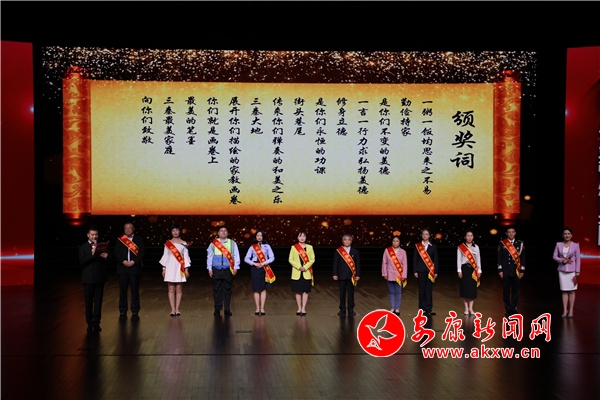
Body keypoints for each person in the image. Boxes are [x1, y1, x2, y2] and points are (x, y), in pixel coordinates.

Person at [79, 224, 109, 332]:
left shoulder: (102, 246)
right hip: (87, 279)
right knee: (88, 302)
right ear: (88, 235)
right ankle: (89, 323)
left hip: (99, 278)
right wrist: (93, 255)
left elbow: (108, 260)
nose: (94, 236)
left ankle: (97, 323)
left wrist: (106, 257)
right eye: (92, 235)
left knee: (98, 302)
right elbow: (81, 261)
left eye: (96, 234)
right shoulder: (83, 247)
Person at [114, 222, 145, 318]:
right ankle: (122, 310)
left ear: (133, 229)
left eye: (129, 228)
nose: (127, 230)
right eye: (125, 228)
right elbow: (116, 253)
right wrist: (122, 261)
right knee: (122, 290)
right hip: (122, 268)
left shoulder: (139, 239)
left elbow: (142, 253)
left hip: (134, 268)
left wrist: (134, 261)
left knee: (135, 290)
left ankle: (135, 310)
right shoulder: (120, 240)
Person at [207, 226, 240, 316]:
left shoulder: (232, 243)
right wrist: (209, 268)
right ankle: (217, 309)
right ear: (218, 233)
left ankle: (227, 309)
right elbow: (209, 256)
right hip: (216, 270)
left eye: (225, 231)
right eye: (221, 231)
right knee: (217, 290)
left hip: (228, 270)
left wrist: (236, 267)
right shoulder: (213, 243)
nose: (223, 232)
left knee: (227, 290)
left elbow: (236, 255)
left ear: (228, 233)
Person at [159, 224, 191, 317]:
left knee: (179, 288)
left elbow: (186, 257)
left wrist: (186, 269)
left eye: (177, 230)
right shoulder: (168, 243)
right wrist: (164, 268)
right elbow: (165, 256)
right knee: (171, 288)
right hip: (170, 267)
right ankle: (172, 309)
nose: (175, 232)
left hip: (179, 268)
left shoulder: (184, 243)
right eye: (173, 230)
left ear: (180, 231)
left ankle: (177, 309)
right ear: (171, 232)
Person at [244, 229, 275, 316]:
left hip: (264, 268)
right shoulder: (252, 247)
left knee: (263, 288)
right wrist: (254, 263)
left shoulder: (267, 246)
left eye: (261, 235)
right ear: (255, 237)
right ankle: (257, 308)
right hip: (255, 269)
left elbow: (272, 258)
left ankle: (262, 308)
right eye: (257, 235)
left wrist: (263, 263)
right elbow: (246, 259)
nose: (259, 237)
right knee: (256, 288)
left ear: (263, 236)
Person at [497, 226, 526, 317]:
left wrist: (522, 270)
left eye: (512, 232)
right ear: (506, 233)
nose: (511, 234)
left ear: (515, 233)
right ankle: (507, 309)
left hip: (516, 270)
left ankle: (514, 308)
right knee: (506, 291)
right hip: (505, 271)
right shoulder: (502, 243)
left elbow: (522, 258)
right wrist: (500, 270)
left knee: (515, 291)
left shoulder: (520, 244)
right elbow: (499, 257)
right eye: (509, 232)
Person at [552, 227, 581, 318]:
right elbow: (554, 256)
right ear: (562, 235)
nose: (567, 235)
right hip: (562, 270)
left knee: (572, 291)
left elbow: (578, 259)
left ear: (571, 235)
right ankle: (565, 310)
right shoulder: (558, 244)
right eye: (565, 234)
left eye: (568, 234)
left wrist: (577, 271)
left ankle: (571, 310)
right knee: (564, 291)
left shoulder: (576, 245)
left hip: (572, 272)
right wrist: (561, 260)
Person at [332, 234, 361, 316]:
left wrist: (358, 275)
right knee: (342, 293)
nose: (347, 241)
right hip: (341, 275)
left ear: (351, 241)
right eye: (345, 239)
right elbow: (335, 263)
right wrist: (335, 274)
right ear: (342, 241)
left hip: (352, 276)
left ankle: (351, 309)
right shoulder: (338, 251)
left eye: (349, 240)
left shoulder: (355, 251)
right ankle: (342, 309)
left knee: (351, 293)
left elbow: (358, 264)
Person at [289, 230, 315, 316]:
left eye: (304, 236)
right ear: (297, 237)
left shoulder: (310, 247)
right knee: (297, 291)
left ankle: (303, 308)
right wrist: (299, 267)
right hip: (297, 272)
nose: (302, 238)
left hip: (306, 272)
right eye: (300, 236)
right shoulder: (294, 247)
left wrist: (305, 267)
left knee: (305, 291)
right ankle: (299, 308)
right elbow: (290, 259)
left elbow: (312, 259)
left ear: (306, 237)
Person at [413, 228, 439, 316]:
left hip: (430, 271)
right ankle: (422, 308)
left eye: (426, 234)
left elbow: (436, 259)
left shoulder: (433, 246)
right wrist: (415, 270)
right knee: (421, 290)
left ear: (429, 235)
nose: (425, 236)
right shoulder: (418, 246)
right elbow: (415, 259)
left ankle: (429, 308)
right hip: (420, 270)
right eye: (423, 234)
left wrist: (436, 271)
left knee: (429, 290)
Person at [457, 230, 482, 316]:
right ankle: (466, 308)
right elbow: (459, 259)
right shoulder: (461, 247)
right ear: (465, 237)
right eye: (468, 236)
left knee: (472, 290)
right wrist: (459, 270)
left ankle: (471, 308)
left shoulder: (476, 247)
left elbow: (478, 259)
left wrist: (479, 270)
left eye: (471, 236)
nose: (469, 237)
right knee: (464, 289)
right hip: (464, 269)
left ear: (473, 237)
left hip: (473, 269)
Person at [381, 236, 407, 316]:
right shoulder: (387, 251)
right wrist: (384, 273)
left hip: (398, 275)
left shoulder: (403, 252)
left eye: (397, 241)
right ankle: (392, 307)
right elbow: (384, 263)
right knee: (391, 292)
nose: (395, 242)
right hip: (389, 274)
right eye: (394, 241)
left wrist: (404, 275)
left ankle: (397, 308)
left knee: (398, 292)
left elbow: (405, 264)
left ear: (399, 242)